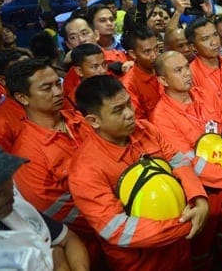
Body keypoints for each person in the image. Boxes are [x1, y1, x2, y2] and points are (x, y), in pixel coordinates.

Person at [70, 75, 209, 271]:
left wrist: (199, 198)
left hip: (178, 246)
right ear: (93, 121)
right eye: (118, 110)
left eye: (128, 104)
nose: (129, 114)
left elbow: (179, 162)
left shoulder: (147, 130)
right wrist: (185, 224)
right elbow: (116, 228)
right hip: (140, 260)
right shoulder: (85, 170)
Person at [151, 50, 222, 271]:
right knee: (201, 247)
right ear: (163, 80)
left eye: (186, 67)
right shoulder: (161, 117)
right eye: (178, 70)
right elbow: (189, 163)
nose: (186, 73)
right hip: (202, 194)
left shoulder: (206, 95)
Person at [5, 58, 105, 268]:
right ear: (23, 97)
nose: (58, 92)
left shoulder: (80, 120)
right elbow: (58, 211)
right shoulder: (27, 155)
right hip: (90, 249)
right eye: (46, 88)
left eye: (58, 84)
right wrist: (112, 212)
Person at [0, 142, 90, 271]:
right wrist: (57, 257)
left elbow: (69, 239)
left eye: (7, 178)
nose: (8, 191)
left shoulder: (15, 208)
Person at [0, 50, 30, 152]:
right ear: (2, 80)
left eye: (31, 66)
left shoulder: (53, 98)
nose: (32, 73)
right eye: (21, 70)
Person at [121, 25, 162, 121]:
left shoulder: (164, 67)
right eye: (147, 52)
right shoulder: (129, 85)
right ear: (133, 54)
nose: (154, 55)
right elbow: (140, 122)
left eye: (156, 49)